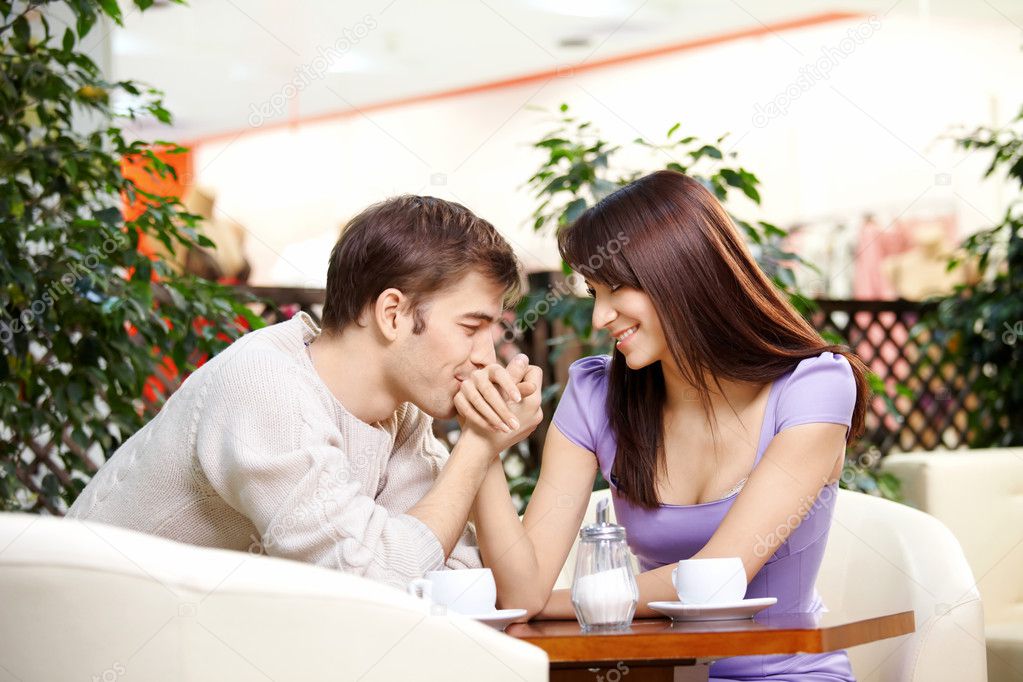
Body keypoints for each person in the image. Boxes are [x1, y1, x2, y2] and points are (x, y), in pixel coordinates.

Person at [460, 170, 867, 681]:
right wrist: (483, 441)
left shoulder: (814, 386)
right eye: (594, 291)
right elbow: (524, 592)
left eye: (617, 288)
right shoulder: (595, 394)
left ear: (682, 272)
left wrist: (570, 603)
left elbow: (717, 579)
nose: (599, 317)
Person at [68, 195, 544, 589]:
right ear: (393, 314)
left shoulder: (401, 415)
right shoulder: (265, 385)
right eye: (471, 328)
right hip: (97, 637)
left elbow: (456, 578)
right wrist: (478, 445)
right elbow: (371, 580)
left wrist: (483, 442)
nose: (488, 358)